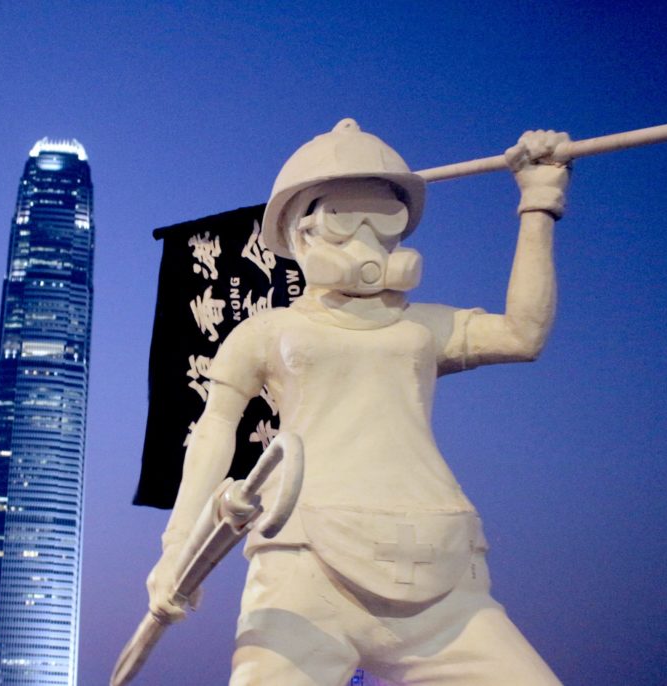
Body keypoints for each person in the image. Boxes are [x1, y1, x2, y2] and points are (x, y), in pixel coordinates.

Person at [147, 118, 569, 685]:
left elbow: (523, 334)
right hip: (303, 568)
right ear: (300, 231)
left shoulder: (424, 327)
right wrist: (178, 548)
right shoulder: (267, 332)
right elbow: (214, 433)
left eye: (385, 215)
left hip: (441, 573)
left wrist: (538, 202)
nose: (367, 237)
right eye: (345, 216)